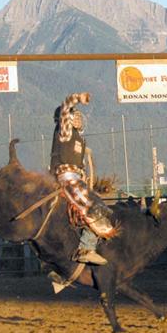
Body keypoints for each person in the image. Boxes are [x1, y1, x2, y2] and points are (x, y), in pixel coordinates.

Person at [50, 92, 116, 265]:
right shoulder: (65, 131)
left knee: (101, 207)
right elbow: (65, 106)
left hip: (75, 178)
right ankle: (85, 249)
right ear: (66, 118)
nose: (79, 119)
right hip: (67, 178)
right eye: (75, 116)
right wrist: (77, 98)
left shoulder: (78, 138)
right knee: (93, 208)